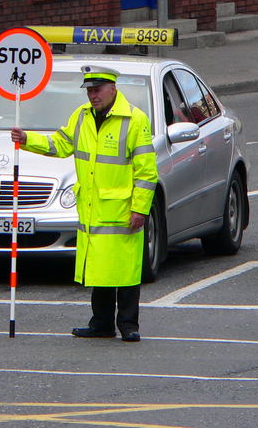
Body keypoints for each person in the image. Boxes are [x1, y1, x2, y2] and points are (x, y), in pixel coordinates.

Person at [10, 65, 158, 343]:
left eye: (97, 90)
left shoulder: (134, 120)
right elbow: (60, 144)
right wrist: (28, 139)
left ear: (113, 88)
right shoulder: (81, 117)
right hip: (92, 208)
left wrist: (140, 208)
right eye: (89, 91)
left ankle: (128, 324)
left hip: (121, 208)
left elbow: (147, 171)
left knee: (125, 271)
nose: (92, 96)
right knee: (99, 269)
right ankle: (101, 323)